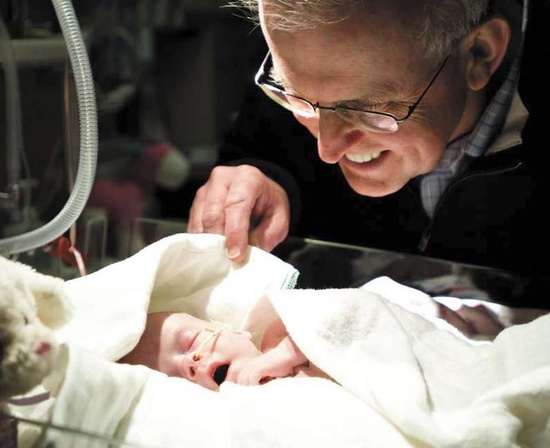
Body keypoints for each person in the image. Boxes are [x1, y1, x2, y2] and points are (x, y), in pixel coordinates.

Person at [187, 0, 550, 308]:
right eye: (293, 94)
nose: (327, 149)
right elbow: (267, 145)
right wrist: (268, 178)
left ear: (478, 55)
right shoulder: (305, 46)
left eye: (367, 109)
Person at [118, 311, 331, 391]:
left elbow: (333, 317)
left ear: (238, 332)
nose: (189, 364)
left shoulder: (275, 339)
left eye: (190, 341)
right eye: (173, 378)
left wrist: (285, 354)